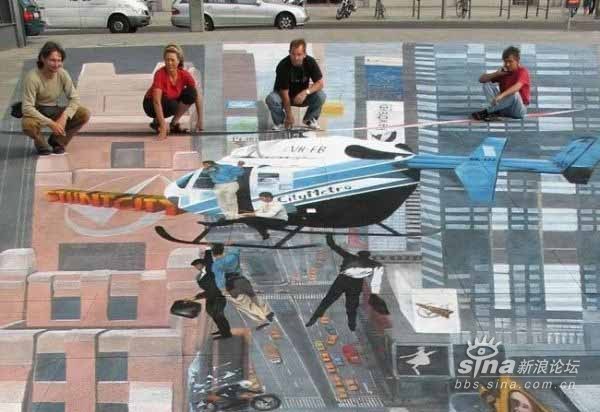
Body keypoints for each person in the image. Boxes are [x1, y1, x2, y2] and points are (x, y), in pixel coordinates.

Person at [305, 234, 389, 331]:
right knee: (350, 306)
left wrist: (329, 236)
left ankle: (314, 318)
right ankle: (352, 325)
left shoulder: (350, 257)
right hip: (354, 284)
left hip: (343, 280)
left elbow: (334, 246)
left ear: (359, 254)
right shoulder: (372, 263)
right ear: (368, 256)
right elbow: (378, 274)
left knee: (328, 301)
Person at [21, 41, 90, 156]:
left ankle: (57, 141)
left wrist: (64, 116)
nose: (56, 64)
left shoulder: (62, 74)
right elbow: (27, 108)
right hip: (36, 110)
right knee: (28, 125)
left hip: (53, 108)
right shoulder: (32, 77)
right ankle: (41, 145)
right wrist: (51, 124)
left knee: (83, 114)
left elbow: (74, 99)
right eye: (52, 60)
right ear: (43, 58)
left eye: (59, 60)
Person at [143, 44, 203, 140]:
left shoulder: (184, 74)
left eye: (172, 60)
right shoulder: (160, 74)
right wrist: (163, 127)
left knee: (191, 93)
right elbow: (156, 101)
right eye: (167, 60)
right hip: (150, 103)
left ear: (178, 61)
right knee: (172, 105)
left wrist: (200, 119)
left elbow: (197, 94)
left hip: (170, 100)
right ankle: (157, 122)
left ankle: (174, 124)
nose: (169, 63)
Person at [265, 38, 326, 131]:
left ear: (304, 54)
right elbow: (284, 93)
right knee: (271, 99)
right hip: (283, 97)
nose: (296, 58)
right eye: (293, 54)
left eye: (299, 54)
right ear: (289, 52)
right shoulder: (283, 65)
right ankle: (280, 121)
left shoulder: (310, 62)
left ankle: (310, 119)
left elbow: (320, 83)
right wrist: (289, 115)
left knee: (321, 95)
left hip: (301, 97)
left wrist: (305, 92)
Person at [211, 243, 274, 329]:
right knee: (253, 296)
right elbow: (236, 249)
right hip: (242, 280)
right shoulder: (232, 257)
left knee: (244, 304)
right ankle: (267, 312)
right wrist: (231, 244)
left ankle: (262, 319)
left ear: (213, 254)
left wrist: (223, 290)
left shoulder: (216, 265)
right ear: (223, 251)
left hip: (231, 285)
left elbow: (219, 279)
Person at [471, 46, 530, 122]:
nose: (507, 64)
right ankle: (495, 110)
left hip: (518, 110)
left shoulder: (522, 71)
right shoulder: (504, 72)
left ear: (517, 60)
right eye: (505, 62)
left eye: (510, 61)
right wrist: (497, 74)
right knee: (486, 83)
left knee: (514, 94)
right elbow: (481, 79)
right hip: (504, 108)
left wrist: (501, 95)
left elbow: (517, 87)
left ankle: (487, 112)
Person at [191, 248, 232, 339]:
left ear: (202, 264)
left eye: (197, 265)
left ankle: (226, 334)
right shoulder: (203, 273)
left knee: (219, 316)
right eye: (195, 266)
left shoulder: (210, 271)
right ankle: (222, 330)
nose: (196, 267)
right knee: (215, 315)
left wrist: (208, 252)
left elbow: (209, 262)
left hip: (217, 297)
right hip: (211, 298)